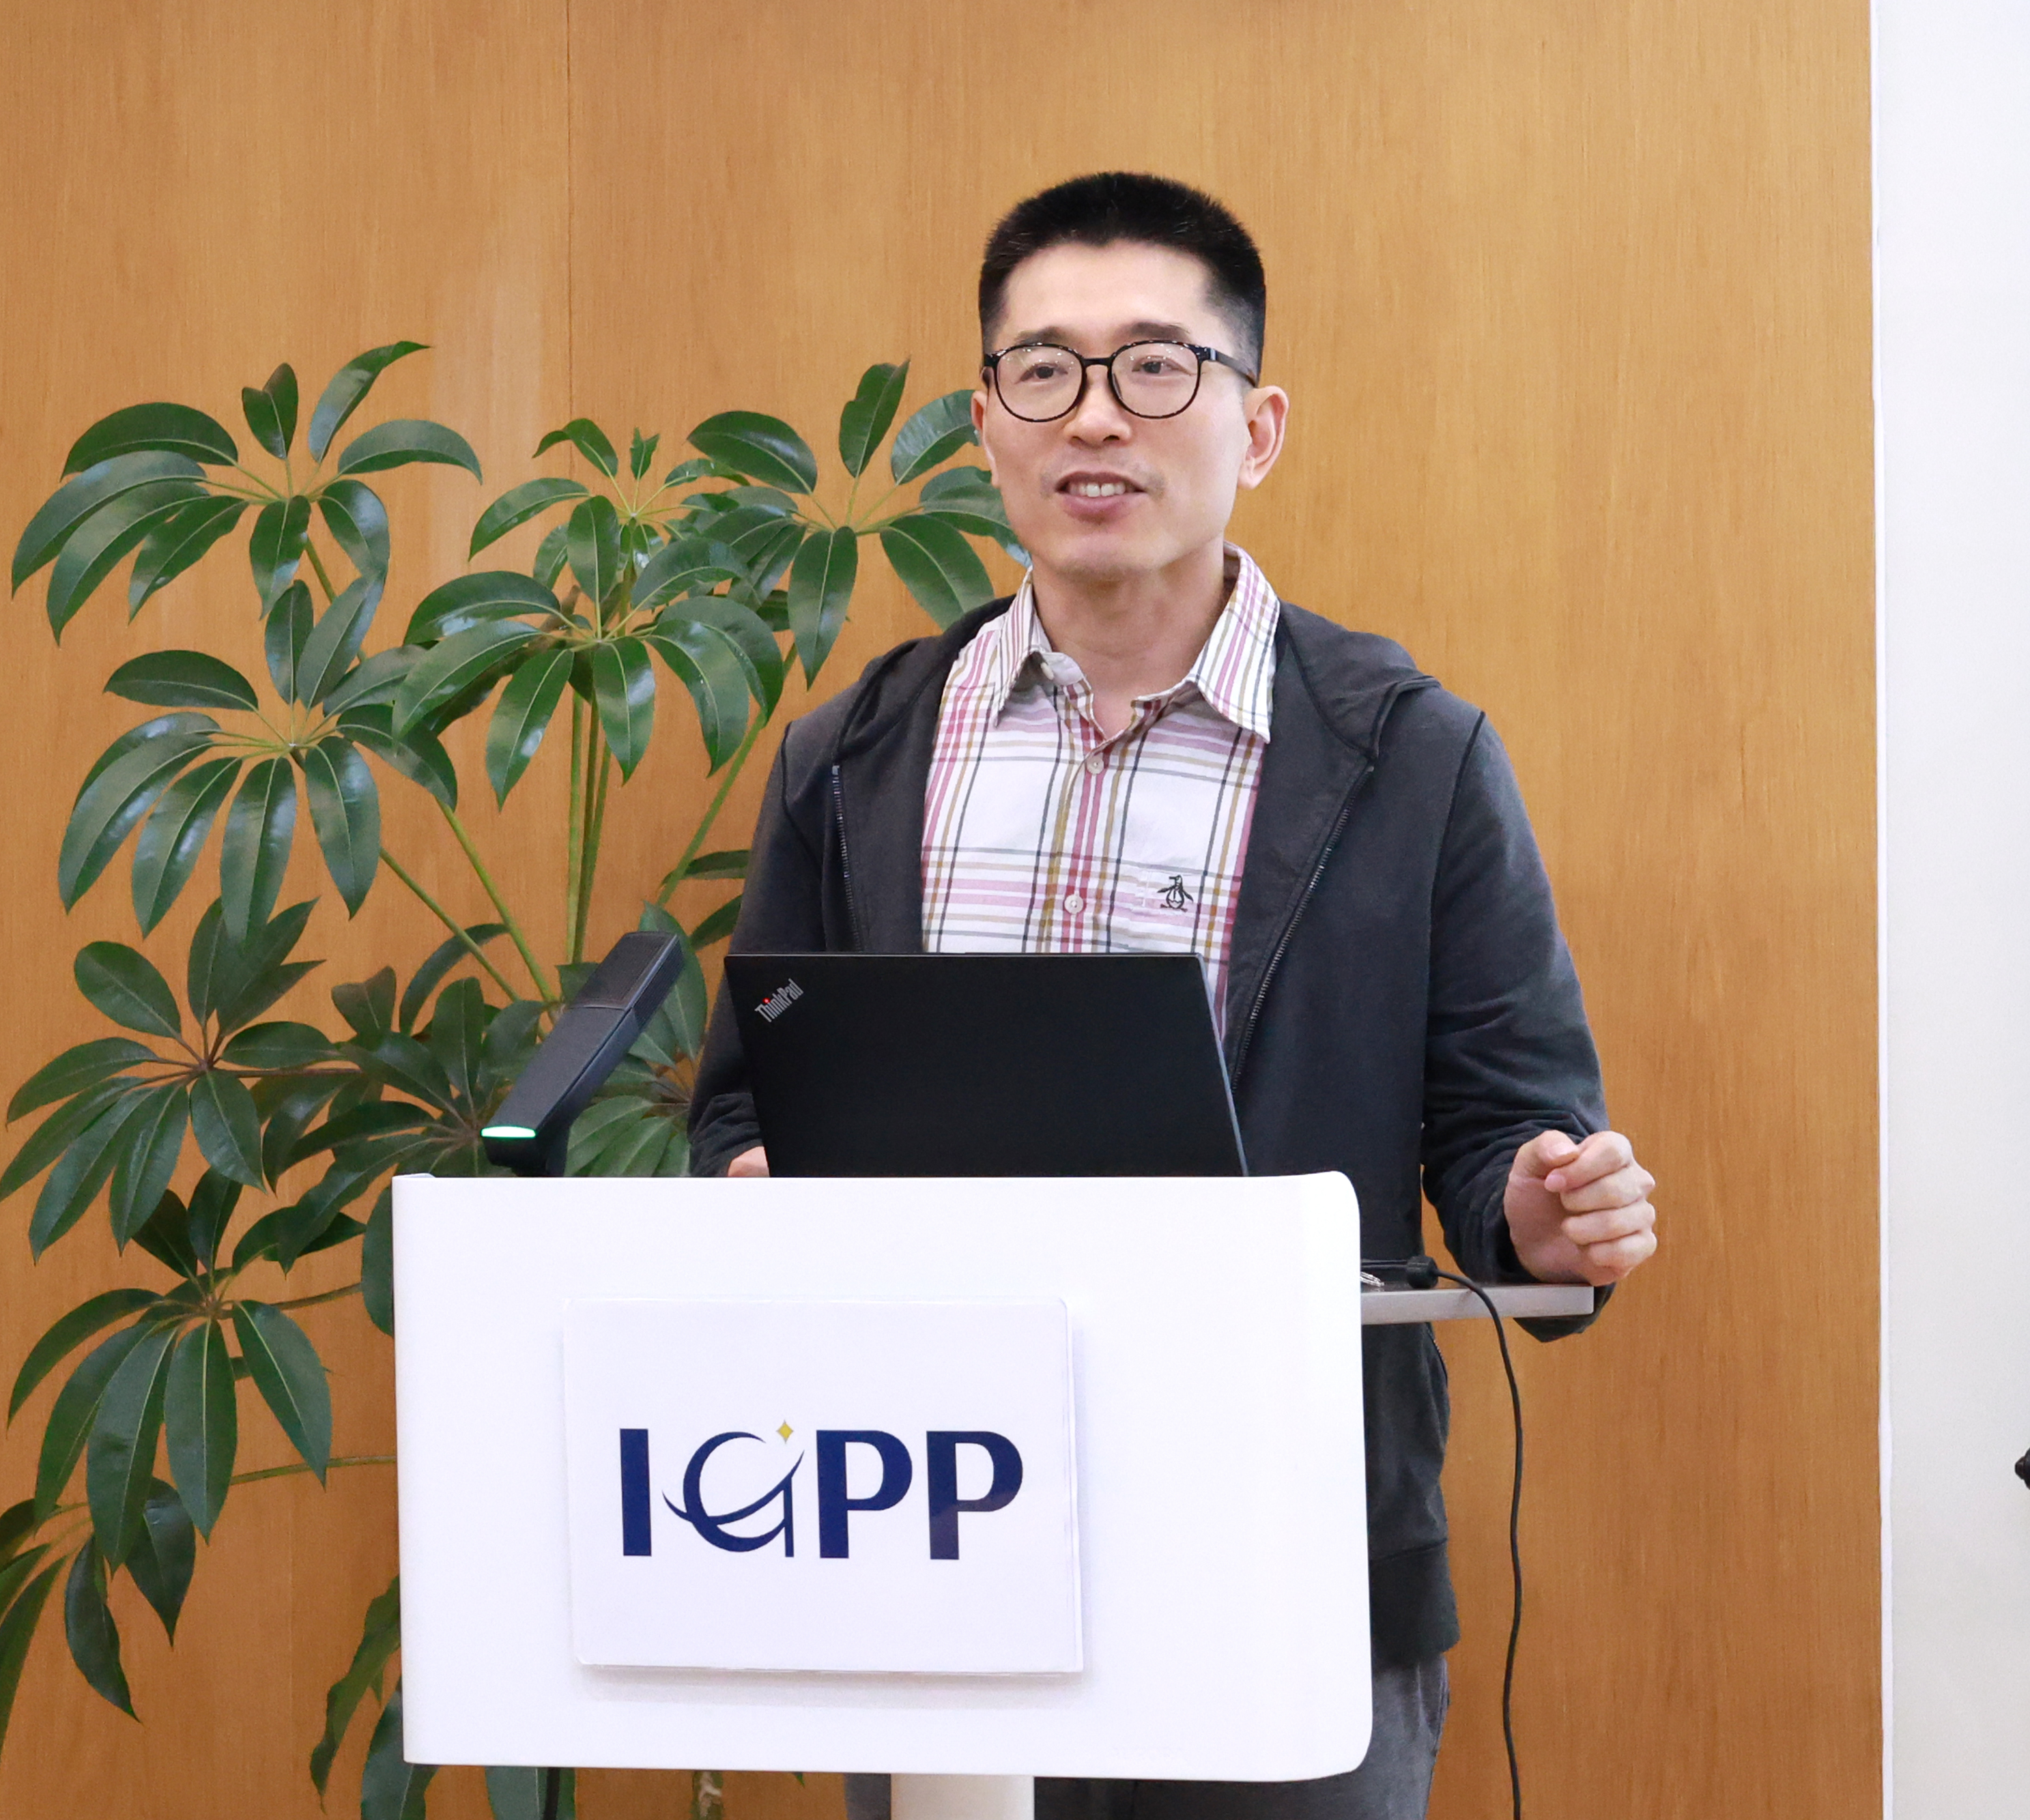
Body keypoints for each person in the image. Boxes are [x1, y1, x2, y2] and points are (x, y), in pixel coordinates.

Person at [688, 171, 1660, 1820]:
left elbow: (1508, 1128)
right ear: (983, 424)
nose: (1094, 417)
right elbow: (739, 1098)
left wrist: (1538, 1210)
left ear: (1255, 427)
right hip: (930, 1541)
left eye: (1154, 367)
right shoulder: (852, 756)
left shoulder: (1411, 757)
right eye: (1041, 370)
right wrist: (749, 1175)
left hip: (1285, 1554)